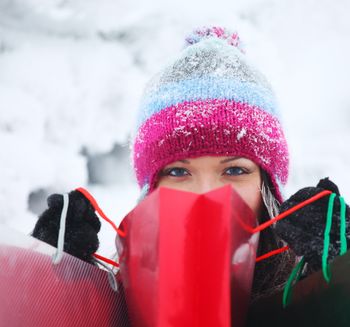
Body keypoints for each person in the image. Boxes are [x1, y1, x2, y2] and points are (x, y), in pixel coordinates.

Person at [32, 26, 349, 302]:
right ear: (151, 189)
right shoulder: (114, 302)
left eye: (235, 170)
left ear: (266, 186)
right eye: (179, 171)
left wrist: (339, 278)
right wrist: (50, 288)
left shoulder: (305, 287)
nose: (206, 193)